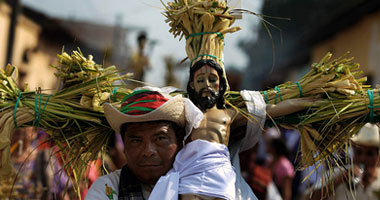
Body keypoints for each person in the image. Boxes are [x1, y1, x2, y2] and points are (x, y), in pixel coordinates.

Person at [149, 59, 312, 200]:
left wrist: (306, 101)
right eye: (200, 80)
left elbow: (272, 109)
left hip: (220, 173)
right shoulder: (184, 111)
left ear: (220, 85)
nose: (206, 84)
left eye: (212, 80)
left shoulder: (229, 115)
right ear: (192, 85)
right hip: (191, 172)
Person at [85, 89, 201, 200]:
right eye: (136, 140)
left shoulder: (200, 186)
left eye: (160, 138)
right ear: (124, 146)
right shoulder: (106, 189)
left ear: (180, 141)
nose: (148, 151)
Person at [307, 123, 380, 200]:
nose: (363, 158)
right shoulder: (336, 174)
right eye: (359, 152)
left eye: (369, 154)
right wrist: (338, 180)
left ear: (378, 156)